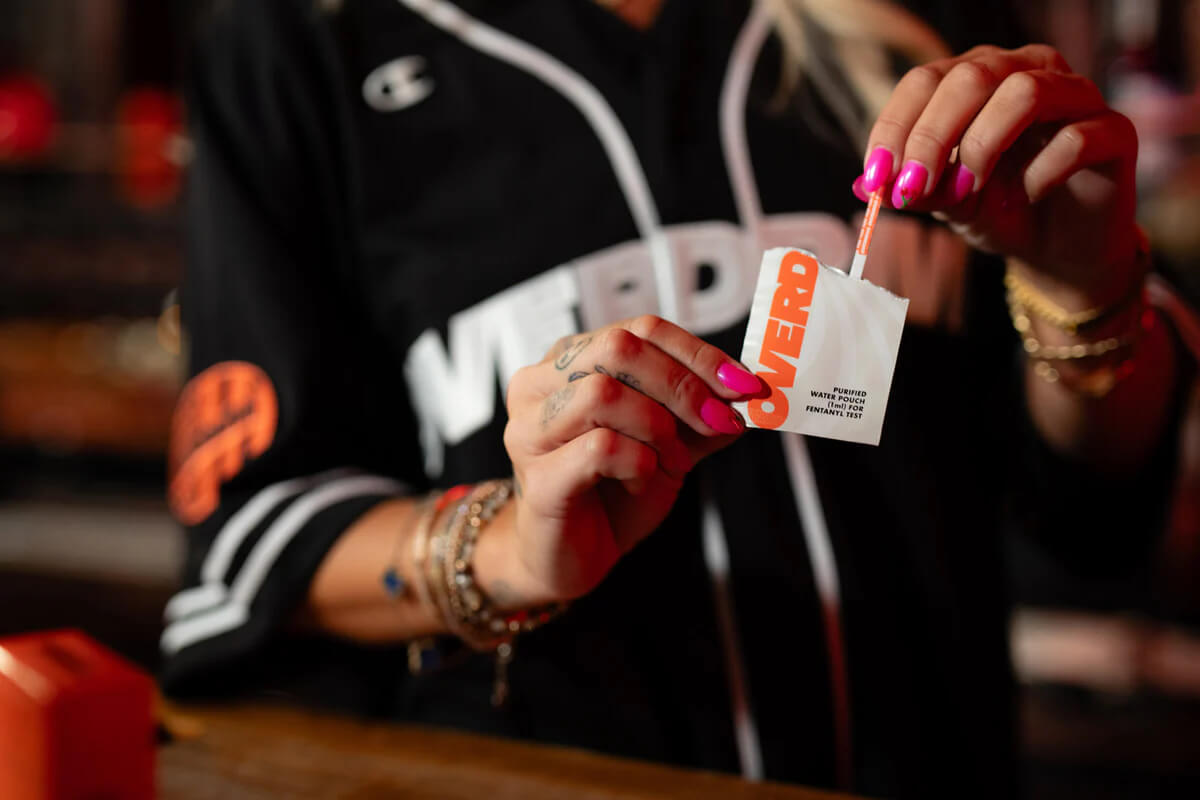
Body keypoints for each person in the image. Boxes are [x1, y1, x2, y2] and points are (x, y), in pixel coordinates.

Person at [160, 0, 1190, 796]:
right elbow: (257, 537)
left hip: (930, 763)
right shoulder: (298, 46)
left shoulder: (923, 16)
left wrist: (1083, 293)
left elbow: (1087, 508)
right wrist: (512, 546)